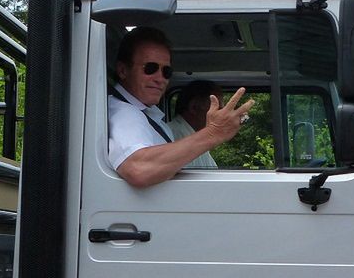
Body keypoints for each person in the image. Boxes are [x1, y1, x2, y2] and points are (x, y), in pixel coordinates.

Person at [108, 27, 252, 188]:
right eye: (150, 68)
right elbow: (138, 169)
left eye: (166, 71)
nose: (160, 78)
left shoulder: (145, 113)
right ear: (122, 70)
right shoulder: (122, 113)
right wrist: (213, 133)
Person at [167, 80, 223, 169]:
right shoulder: (175, 135)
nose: (220, 114)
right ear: (194, 107)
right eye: (217, 108)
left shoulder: (195, 136)